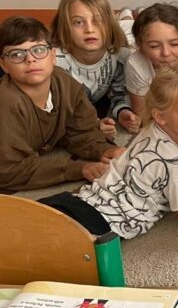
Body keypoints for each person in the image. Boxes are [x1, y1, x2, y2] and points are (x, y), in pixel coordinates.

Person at [38, 65, 178, 239]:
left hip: (80, 200)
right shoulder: (175, 163)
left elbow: (175, 180)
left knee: (29, 219)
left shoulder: (152, 131)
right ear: (160, 116)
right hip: (100, 224)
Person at [0, 16, 122, 191]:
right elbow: (9, 170)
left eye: (38, 50)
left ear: (53, 56)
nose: (30, 59)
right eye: (17, 54)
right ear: (4, 65)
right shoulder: (7, 102)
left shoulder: (64, 81)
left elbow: (79, 130)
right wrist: (78, 169)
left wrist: (103, 149)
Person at [50, 0, 137, 138]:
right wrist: (92, 123)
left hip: (123, 40)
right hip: (78, 108)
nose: (89, 29)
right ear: (64, 27)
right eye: (78, 22)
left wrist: (123, 112)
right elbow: (59, 109)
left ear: (109, 24)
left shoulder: (122, 56)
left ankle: (127, 17)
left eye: (99, 20)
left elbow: (119, 95)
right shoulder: (54, 61)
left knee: (132, 35)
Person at [125, 3, 178, 129]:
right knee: (125, 32)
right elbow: (143, 115)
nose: (166, 53)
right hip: (129, 40)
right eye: (154, 46)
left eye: (174, 44)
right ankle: (126, 16)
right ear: (141, 46)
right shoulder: (135, 64)